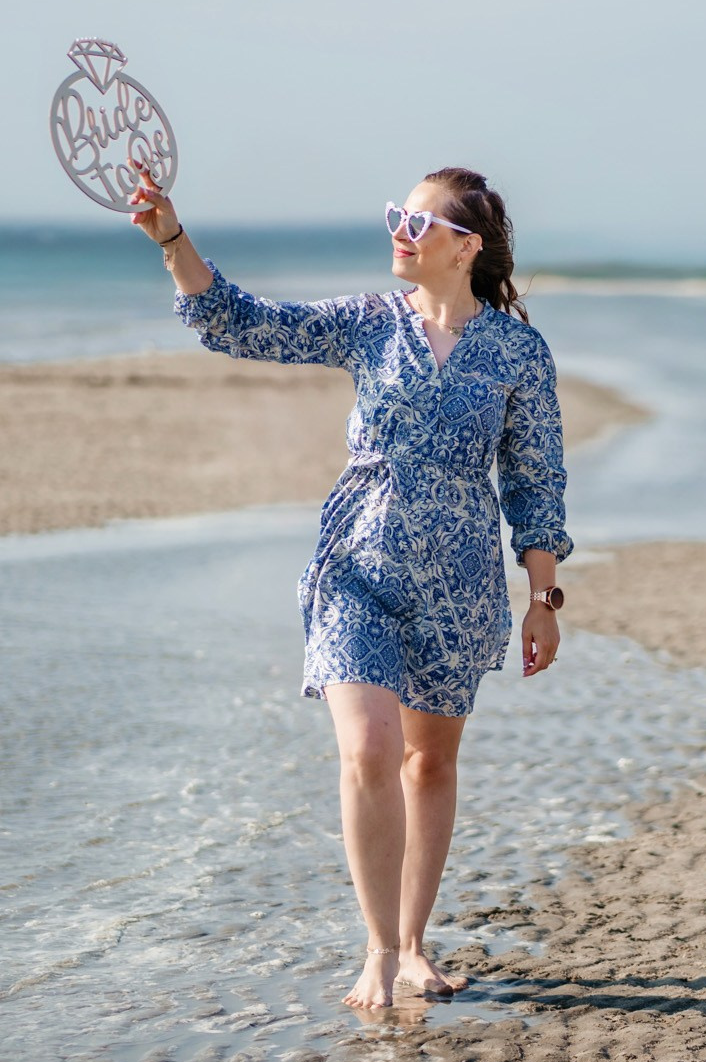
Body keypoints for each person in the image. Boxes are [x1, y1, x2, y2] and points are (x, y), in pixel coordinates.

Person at [127, 161, 572, 1011]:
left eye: (417, 224)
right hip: (355, 567)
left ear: (464, 247)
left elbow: (536, 479)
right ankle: (374, 948)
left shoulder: (518, 351)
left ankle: (413, 946)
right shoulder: (369, 322)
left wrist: (543, 599)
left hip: (460, 578)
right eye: (394, 219)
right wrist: (173, 240)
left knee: (428, 760)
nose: (398, 235)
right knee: (368, 748)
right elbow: (240, 324)